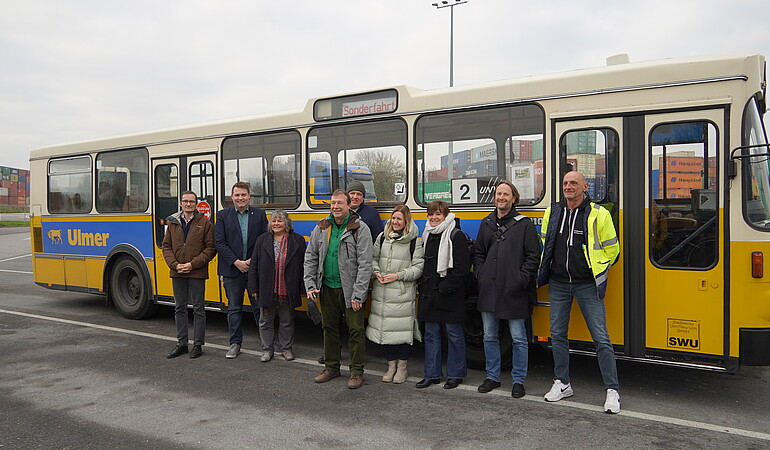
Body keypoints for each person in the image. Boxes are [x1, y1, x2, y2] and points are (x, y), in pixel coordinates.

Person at [537, 171, 622, 413]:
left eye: (573, 183)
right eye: (565, 183)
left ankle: (612, 390)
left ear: (585, 187)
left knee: (601, 338)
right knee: (558, 335)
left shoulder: (599, 213)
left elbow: (612, 250)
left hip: (587, 284)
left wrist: (597, 269)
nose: (568, 187)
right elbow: (546, 243)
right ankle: (562, 383)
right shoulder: (552, 212)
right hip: (559, 284)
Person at [473, 181, 540, 398]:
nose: (501, 197)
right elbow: (478, 254)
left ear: (513, 198)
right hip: (489, 289)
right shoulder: (486, 223)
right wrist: (481, 276)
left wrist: (520, 280)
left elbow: (533, 257)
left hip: (514, 291)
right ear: (495, 198)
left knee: (519, 339)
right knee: (489, 336)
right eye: (498, 194)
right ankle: (492, 377)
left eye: (506, 194)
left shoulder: (524, 225)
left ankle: (518, 380)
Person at [304, 189, 373, 389]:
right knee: (329, 328)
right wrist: (310, 284)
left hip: (350, 290)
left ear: (349, 205)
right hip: (326, 287)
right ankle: (331, 367)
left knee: (355, 331)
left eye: (339, 203)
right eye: (333, 203)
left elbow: (365, 264)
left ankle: (356, 372)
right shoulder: (322, 227)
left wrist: (359, 294)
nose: (335, 207)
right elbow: (311, 257)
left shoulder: (360, 228)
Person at [366, 205, 424, 384]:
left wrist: (398, 276)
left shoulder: (415, 241)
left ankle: (402, 368)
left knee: (402, 332)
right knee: (387, 332)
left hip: (401, 292)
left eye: (399, 219)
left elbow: (418, 268)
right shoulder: (382, 237)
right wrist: (376, 272)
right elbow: (373, 259)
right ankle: (391, 366)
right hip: (382, 292)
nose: (395, 222)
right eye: (393, 218)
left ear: (406, 221)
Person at [416, 200, 469, 390]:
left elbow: (462, 269)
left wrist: (445, 287)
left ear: (446, 215)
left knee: (454, 335)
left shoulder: (456, 235)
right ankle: (432, 374)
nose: (434, 217)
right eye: (431, 214)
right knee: (431, 335)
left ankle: (455, 375)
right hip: (430, 295)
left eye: (438, 214)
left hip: (449, 295)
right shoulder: (428, 234)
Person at [215, 181, 268, 359]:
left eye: (243, 195)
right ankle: (235, 344)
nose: (240, 198)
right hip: (232, 270)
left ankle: (267, 344)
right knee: (234, 309)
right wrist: (237, 262)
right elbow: (219, 243)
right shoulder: (222, 216)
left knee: (259, 308)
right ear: (232, 197)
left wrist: (252, 262)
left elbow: (265, 241)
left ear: (249, 196)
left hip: (255, 270)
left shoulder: (260, 215)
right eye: (237, 195)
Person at [162, 191, 216, 359]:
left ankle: (198, 345)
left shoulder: (205, 223)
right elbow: (166, 247)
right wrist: (175, 265)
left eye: (191, 201)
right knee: (179, 308)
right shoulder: (172, 223)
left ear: (196, 204)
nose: (188, 204)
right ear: (180, 203)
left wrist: (192, 264)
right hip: (177, 272)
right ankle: (182, 344)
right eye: (185, 201)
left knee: (199, 309)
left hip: (197, 272)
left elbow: (210, 248)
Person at [247, 210, 306, 362]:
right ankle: (267, 350)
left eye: (280, 221)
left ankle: (286, 349)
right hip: (267, 289)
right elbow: (254, 265)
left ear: (287, 223)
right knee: (265, 321)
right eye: (273, 221)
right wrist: (253, 288)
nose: (276, 224)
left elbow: (303, 266)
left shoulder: (298, 240)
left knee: (287, 321)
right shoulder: (262, 240)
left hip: (288, 289)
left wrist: (302, 288)